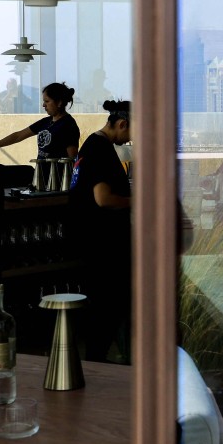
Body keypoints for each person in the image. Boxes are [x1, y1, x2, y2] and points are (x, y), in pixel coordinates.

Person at [68, 99, 132, 363]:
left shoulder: (92, 144)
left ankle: (100, 360)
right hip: (103, 243)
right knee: (107, 306)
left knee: (103, 306)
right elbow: (103, 198)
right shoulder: (100, 149)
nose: (130, 141)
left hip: (92, 240)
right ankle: (98, 363)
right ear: (122, 124)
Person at [0, 82, 80, 160]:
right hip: (42, 175)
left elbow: (72, 159)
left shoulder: (68, 125)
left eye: (47, 101)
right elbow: (18, 136)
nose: (44, 105)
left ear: (59, 103)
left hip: (57, 180)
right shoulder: (46, 122)